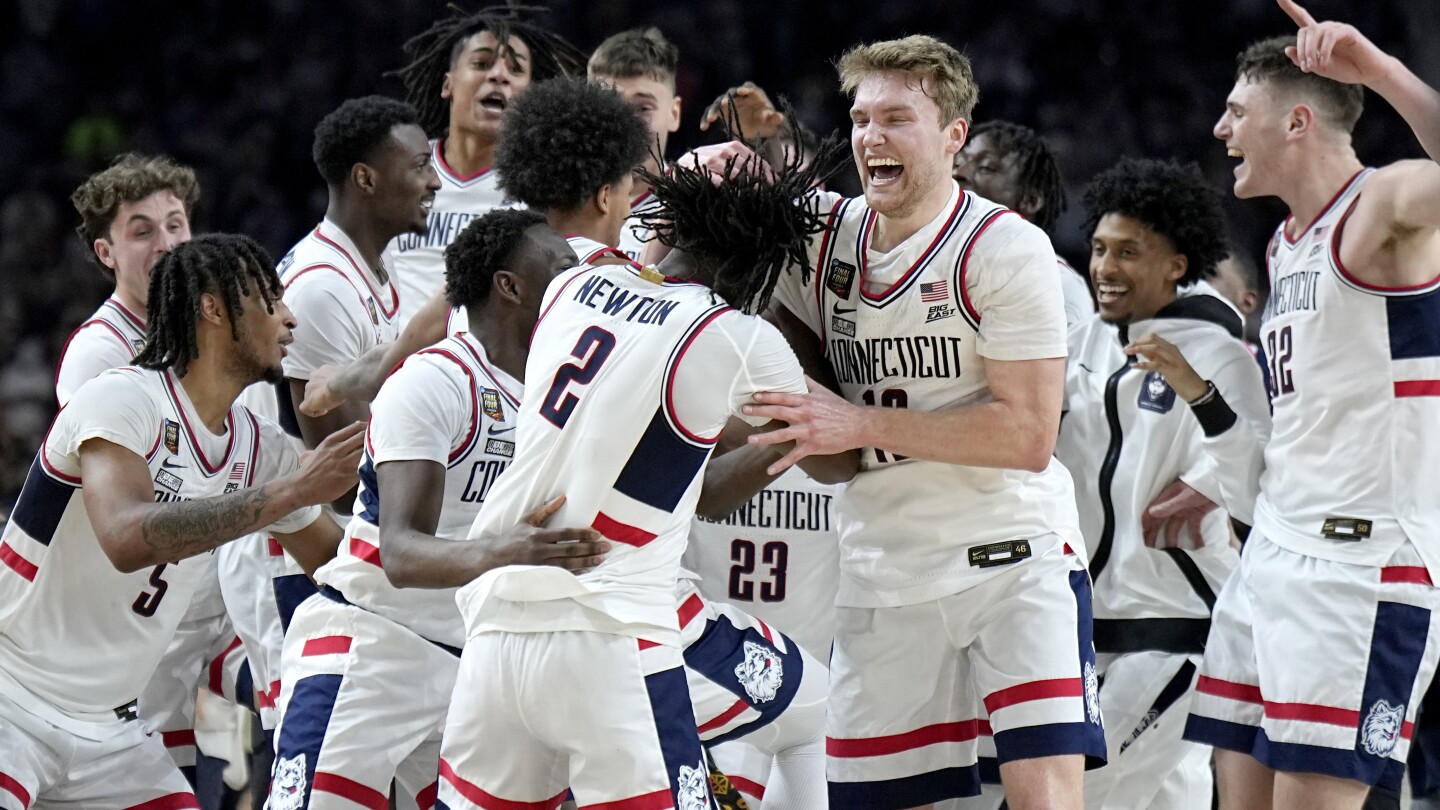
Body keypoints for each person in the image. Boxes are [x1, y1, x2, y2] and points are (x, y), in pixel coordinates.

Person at [722, 35, 1103, 810]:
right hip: (882, 567)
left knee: (1044, 797)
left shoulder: (1004, 248)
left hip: (1011, 556)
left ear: (954, 135)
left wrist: (854, 421)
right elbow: (704, 199)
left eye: (897, 118)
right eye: (861, 119)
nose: (871, 138)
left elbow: (1027, 436)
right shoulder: (820, 235)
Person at [436, 129, 854, 810]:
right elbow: (835, 458)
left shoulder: (574, 283)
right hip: (618, 636)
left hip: (496, 628)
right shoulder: (741, 340)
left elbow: (699, 486)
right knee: (819, 711)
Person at [1183, 2, 1440, 809]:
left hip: (1357, 567)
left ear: (1296, 121)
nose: (1220, 129)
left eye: (1236, 110)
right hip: (1273, 554)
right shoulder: (1283, 240)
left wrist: (1379, 72)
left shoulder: (1384, 208)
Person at [0, 234, 361, 808]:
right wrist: (289, 490)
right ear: (215, 309)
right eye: (272, 301)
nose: (290, 317)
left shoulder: (257, 447)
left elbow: (343, 571)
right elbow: (125, 537)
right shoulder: (122, 398)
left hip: (110, 734)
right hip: (13, 701)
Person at [267, 208, 609, 809]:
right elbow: (399, 551)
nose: (576, 276)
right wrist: (511, 550)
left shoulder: (559, 394)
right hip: (373, 642)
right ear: (510, 285)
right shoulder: (436, 381)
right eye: (561, 266)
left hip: (472, 662)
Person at [1056, 157, 1271, 810]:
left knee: (1074, 795)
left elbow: (1257, 486)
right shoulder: (1076, 344)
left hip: (1174, 629)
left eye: (1129, 251)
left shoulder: (1219, 353)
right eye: (1098, 248)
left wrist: (1200, 398)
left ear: (1176, 264)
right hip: (1086, 628)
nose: (1106, 267)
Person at [61, 154, 254, 790]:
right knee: (164, 783)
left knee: (241, 778)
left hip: (218, 613)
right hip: (139, 625)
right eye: (142, 230)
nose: (167, 242)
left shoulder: (219, 336)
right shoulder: (101, 353)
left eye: (176, 224)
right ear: (106, 252)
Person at [386, 4, 585, 325]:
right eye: (481, 63)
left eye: (515, 70)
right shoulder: (396, 172)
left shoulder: (543, 193)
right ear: (447, 84)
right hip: (387, 366)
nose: (498, 75)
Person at [951, 120, 1094, 328]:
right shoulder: (922, 271)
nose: (958, 173)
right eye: (956, 162)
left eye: (985, 167)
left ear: (1030, 200)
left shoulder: (1056, 286)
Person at [587, 26, 683, 261]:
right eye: (610, 106)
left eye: (643, 108)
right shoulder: (557, 203)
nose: (626, 123)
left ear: (674, 114)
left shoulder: (691, 213)